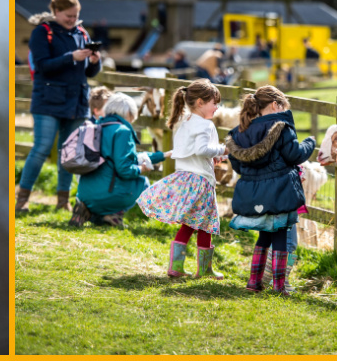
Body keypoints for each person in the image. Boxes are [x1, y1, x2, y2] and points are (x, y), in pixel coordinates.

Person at [224, 85, 316, 295]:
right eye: (284, 106)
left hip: (253, 193)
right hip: (279, 191)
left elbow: (237, 164)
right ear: (276, 104)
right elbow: (295, 155)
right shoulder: (281, 127)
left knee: (264, 234)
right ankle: (279, 285)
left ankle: (254, 281)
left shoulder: (242, 131)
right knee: (281, 234)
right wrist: (310, 143)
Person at [15, 0, 102, 214]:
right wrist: (71, 56)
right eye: (68, 16)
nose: (73, 20)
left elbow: (90, 73)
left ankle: (62, 201)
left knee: (70, 152)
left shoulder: (82, 33)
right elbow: (42, 65)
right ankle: (22, 198)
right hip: (48, 100)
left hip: (77, 101)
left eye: (76, 16)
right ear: (56, 12)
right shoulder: (42, 33)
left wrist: (94, 61)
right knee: (41, 148)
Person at [137, 80, 227, 280]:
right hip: (201, 181)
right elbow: (202, 149)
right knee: (205, 224)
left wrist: (216, 155)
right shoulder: (205, 124)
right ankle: (204, 270)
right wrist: (223, 150)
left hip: (186, 178)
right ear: (201, 102)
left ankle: (175, 267)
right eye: (214, 102)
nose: (217, 107)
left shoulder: (184, 122)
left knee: (189, 223)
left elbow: (191, 150)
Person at [73, 93, 165, 227]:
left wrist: (161, 155)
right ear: (128, 112)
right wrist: (141, 169)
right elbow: (124, 170)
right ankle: (112, 215)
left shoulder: (95, 126)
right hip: (106, 193)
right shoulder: (122, 131)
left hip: (83, 192)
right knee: (143, 182)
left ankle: (90, 211)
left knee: (106, 176)